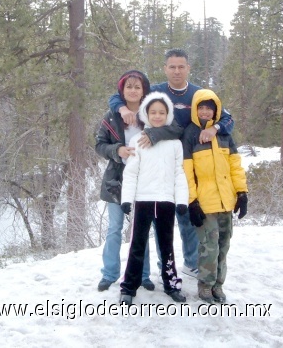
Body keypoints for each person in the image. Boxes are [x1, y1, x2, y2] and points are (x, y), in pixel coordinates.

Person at [109, 48, 235, 278]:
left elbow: (226, 117)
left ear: (188, 68)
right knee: (156, 222)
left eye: (181, 66)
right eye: (172, 67)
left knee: (187, 214)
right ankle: (153, 269)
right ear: (165, 68)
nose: (177, 71)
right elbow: (119, 95)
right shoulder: (155, 91)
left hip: (189, 161)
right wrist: (122, 108)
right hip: (156, 160)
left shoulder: (198, 94)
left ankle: (191, 261)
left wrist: (215, 128)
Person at [119, 92, 189, 305]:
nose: (157, 116)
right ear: (146, 114)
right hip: (143, 201)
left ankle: (171, 285)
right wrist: (126, 200)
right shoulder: (137, 141)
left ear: (167, 115)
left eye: (161, 112)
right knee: (137, 245)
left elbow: (179, 173)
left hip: (166, 201)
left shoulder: (175, 143)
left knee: (166, 244)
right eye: (153, 112)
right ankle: (129, 288)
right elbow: (131, 173)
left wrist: (182, 200)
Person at [181, 89, 249, 303]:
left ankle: (218, 285)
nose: (204, 112)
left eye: (208, 108)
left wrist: (242, 192)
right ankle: (205, 286)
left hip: (225, 201)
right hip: (204, 203)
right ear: (195, 109)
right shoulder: (190, 135)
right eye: (200, 107)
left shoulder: (224, 135)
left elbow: (235, 166)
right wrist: (192, 201)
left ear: (215, 110)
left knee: (223, 245)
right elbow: (186, 172)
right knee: (208, 247)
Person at [95, 70, 157, 292]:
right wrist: (117, 149)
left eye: (137, 87)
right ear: (122, 90)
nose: (133, 90)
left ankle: (144, 274)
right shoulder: (112, 116)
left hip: (144, 179)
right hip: (116, 180)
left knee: (141, 228)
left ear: (144, 91)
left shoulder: (151, 114)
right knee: (114, 228)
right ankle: (110, 273)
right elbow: (99, 144)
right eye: (129, 86)